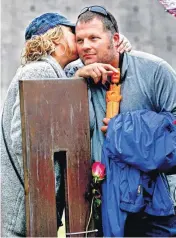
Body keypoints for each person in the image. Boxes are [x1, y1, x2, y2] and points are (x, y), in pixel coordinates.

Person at [1, 12, 131, 237]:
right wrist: (48, 194)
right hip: (24, 211)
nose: (81, 43)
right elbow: (24, 141)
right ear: (56, 37)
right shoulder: (39, 70)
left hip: (29, 207)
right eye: (74, 35)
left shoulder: (51, 71)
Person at [74, 5, 176, 237]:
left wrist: (128, 130)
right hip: (95, 202)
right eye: (80, 40)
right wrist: (76, 80)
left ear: (115, 39)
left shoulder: (154, 71)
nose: (86, 46)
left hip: (153, 205)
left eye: (93, 38)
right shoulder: (74, 75)